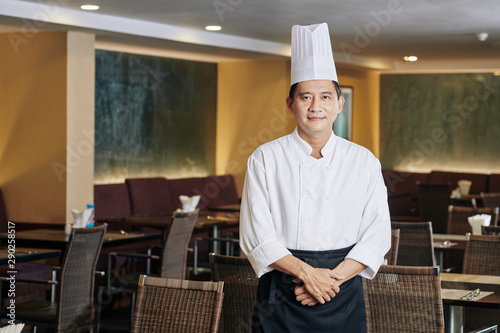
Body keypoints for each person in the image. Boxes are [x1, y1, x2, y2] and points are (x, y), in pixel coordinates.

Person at [239, 22, 391, 332]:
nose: (315, 107)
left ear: (339, 104)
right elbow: (256, 237)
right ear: (290, 104)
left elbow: (377, 235)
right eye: (306, 97)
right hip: (282, 289)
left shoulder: (363, 161)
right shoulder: (265, 158)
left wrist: (329, 280)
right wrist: (308, 275)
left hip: (343, 289)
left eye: (324, 97)